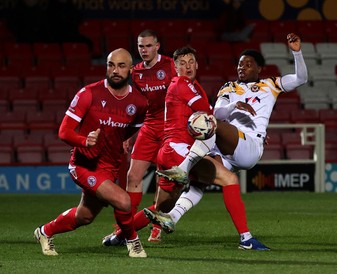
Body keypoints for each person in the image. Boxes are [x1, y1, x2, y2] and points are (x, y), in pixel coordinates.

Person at [146, 33, 308, 250]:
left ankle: (182, 168)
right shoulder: (228, 87)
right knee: (197, 185)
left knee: (210, 123)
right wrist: (234, 107)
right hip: (226, 149)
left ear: (259, 69)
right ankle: (171, 218)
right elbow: (219, 112)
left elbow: (301, 79)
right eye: (240, 64)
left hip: (249, 146)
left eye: (248, 64)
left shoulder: (271, 84)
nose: (242, 68)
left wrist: (296, 52)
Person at [33, 48, 148, 258]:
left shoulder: (139, 103)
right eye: (111, 65)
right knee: (123, 201)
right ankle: (133, 242)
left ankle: (44, 231)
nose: (115, 70)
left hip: (110, 165)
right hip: (84, 164)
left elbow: (131, 129)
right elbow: (64, 131)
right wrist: (83, 141)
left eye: (121, 66)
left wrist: (125, 140)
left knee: (84, 216)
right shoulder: (89, 93)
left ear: (131, 69)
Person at [102, 29, 176, 246]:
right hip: (149, 127)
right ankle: (123, 229)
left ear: (158, 46)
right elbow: (136, 107)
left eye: (148, 46)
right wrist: (129, 134)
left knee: (162, 180)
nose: (144, 50)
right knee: (133, 177)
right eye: (141, 46)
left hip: (171, 128)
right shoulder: (135, 73)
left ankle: (156, 227)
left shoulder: (171, 66)